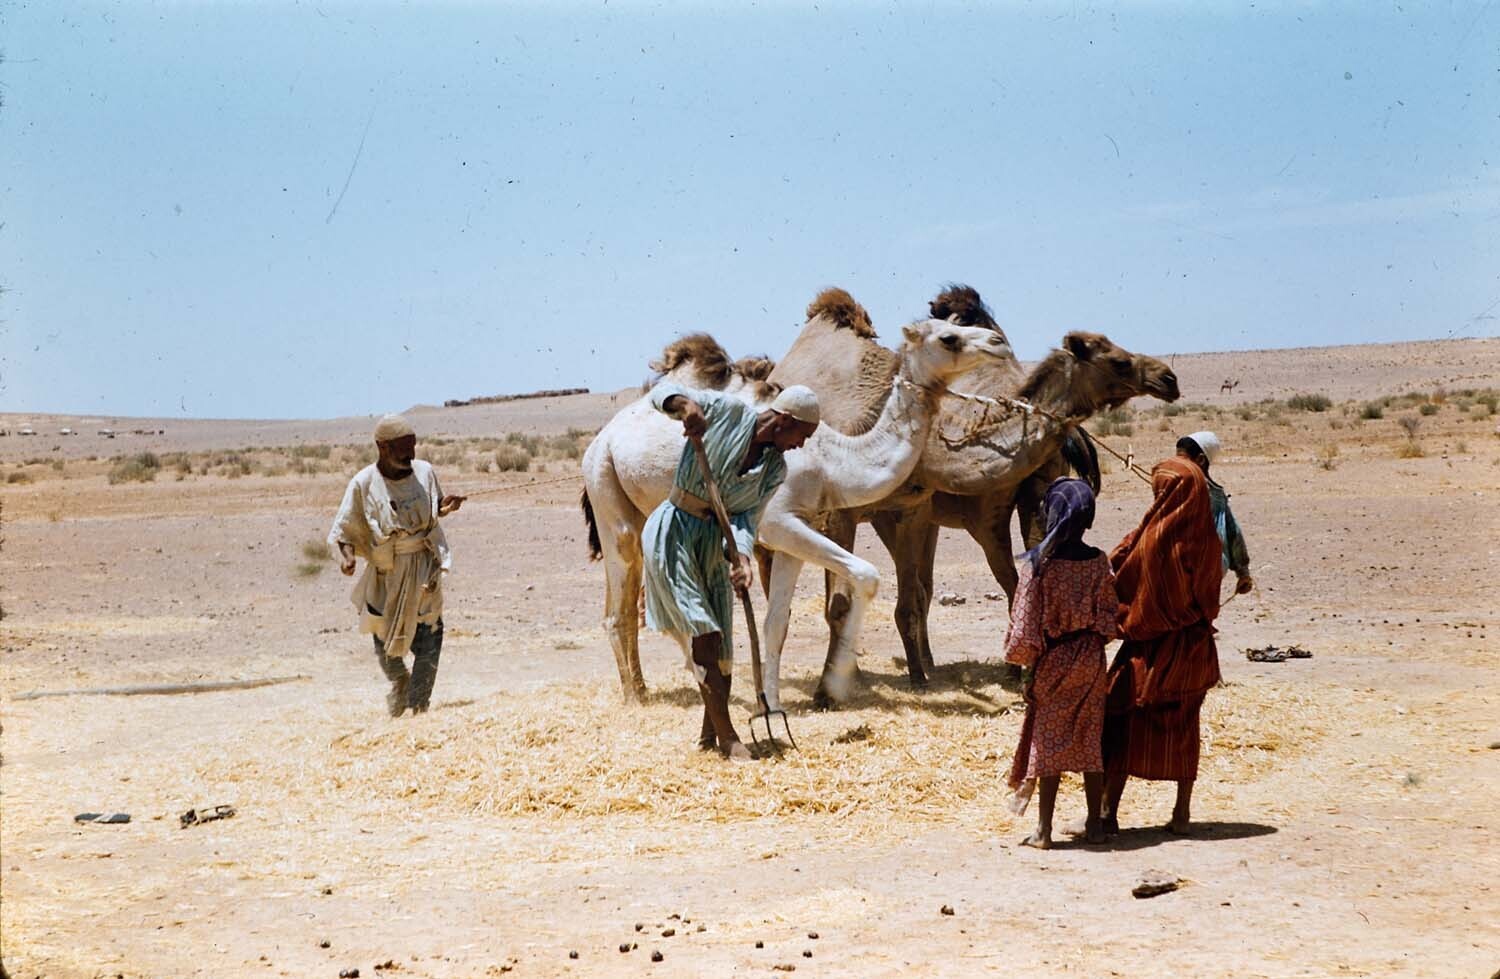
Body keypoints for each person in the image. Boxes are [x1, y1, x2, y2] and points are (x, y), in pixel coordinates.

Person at [642, 381, 820, 760]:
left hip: (714, 545)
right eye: (802, 435)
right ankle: (728, 739)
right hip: (674, 534)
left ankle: (709, 735)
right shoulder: (726, 411)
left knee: (721, 645)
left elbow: (746, 520)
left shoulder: (775, 470)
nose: (801, 445)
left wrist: (742, 559)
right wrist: (686, 406)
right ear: (785, 420)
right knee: (704, 631)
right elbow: (662, 393)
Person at [1100, 456, 1224, 835]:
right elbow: (1210, 598)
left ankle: (1107, 813)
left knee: (1124, 724)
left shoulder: (1149, 537)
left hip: (1149, 647)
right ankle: (1181, 813)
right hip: (1193, 648)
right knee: (1185, 728)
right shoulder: (1208, 539)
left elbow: (1119, 574)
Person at [1002, 478, 1120, 848]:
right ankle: (1095, 826)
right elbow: (1109, 619)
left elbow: (1024, 628)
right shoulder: (1099, 562)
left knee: (1047, 742)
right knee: (1090, 740)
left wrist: (1026, 668)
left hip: (1053, 660)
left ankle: (1044, 830)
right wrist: (1090, 639)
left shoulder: (1039, 567)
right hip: (1090, 658)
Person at [328, 414, 466, 717]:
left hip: (424, 569)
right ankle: (400, 681)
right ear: (383, 447)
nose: (410, 455)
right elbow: (343, 531)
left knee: (430, 636)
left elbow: (432, 506)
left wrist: (445, 506)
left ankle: (419, 707)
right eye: (403, 448)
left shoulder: (425, 472)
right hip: (387, 574)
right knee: (384, 641)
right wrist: (347, 559)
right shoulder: (363, 483)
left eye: (413, 447)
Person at [1177, 431, 1253, 595]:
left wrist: (1243, 572)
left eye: (1184, 460)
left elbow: (1233, 532)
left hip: (1205, 565)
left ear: (1200, 460)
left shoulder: (1207, 494)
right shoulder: (1179, 488)